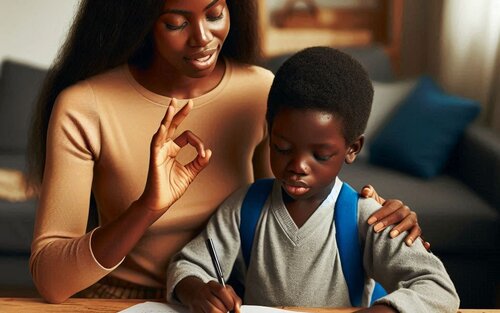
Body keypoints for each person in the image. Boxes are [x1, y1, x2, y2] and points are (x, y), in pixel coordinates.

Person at [28, 0, 425, 304]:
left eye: (215, 13)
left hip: (228, 301)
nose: (202, 37)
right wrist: (147, 207)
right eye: (176, 22)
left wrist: (369, 213)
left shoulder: (257, 91)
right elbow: (51, 281)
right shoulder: (85, 106)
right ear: (139, 19)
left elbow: (285, 204)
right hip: (121, 300)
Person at [166, 47, 459, 313]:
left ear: (352, 149)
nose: (297, 166)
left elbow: (438, 288)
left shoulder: (367, 218)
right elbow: (188, 265)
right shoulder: (245, 208)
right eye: (282, 148)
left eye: (320, 155)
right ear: (269, 132)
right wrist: (197, 291)